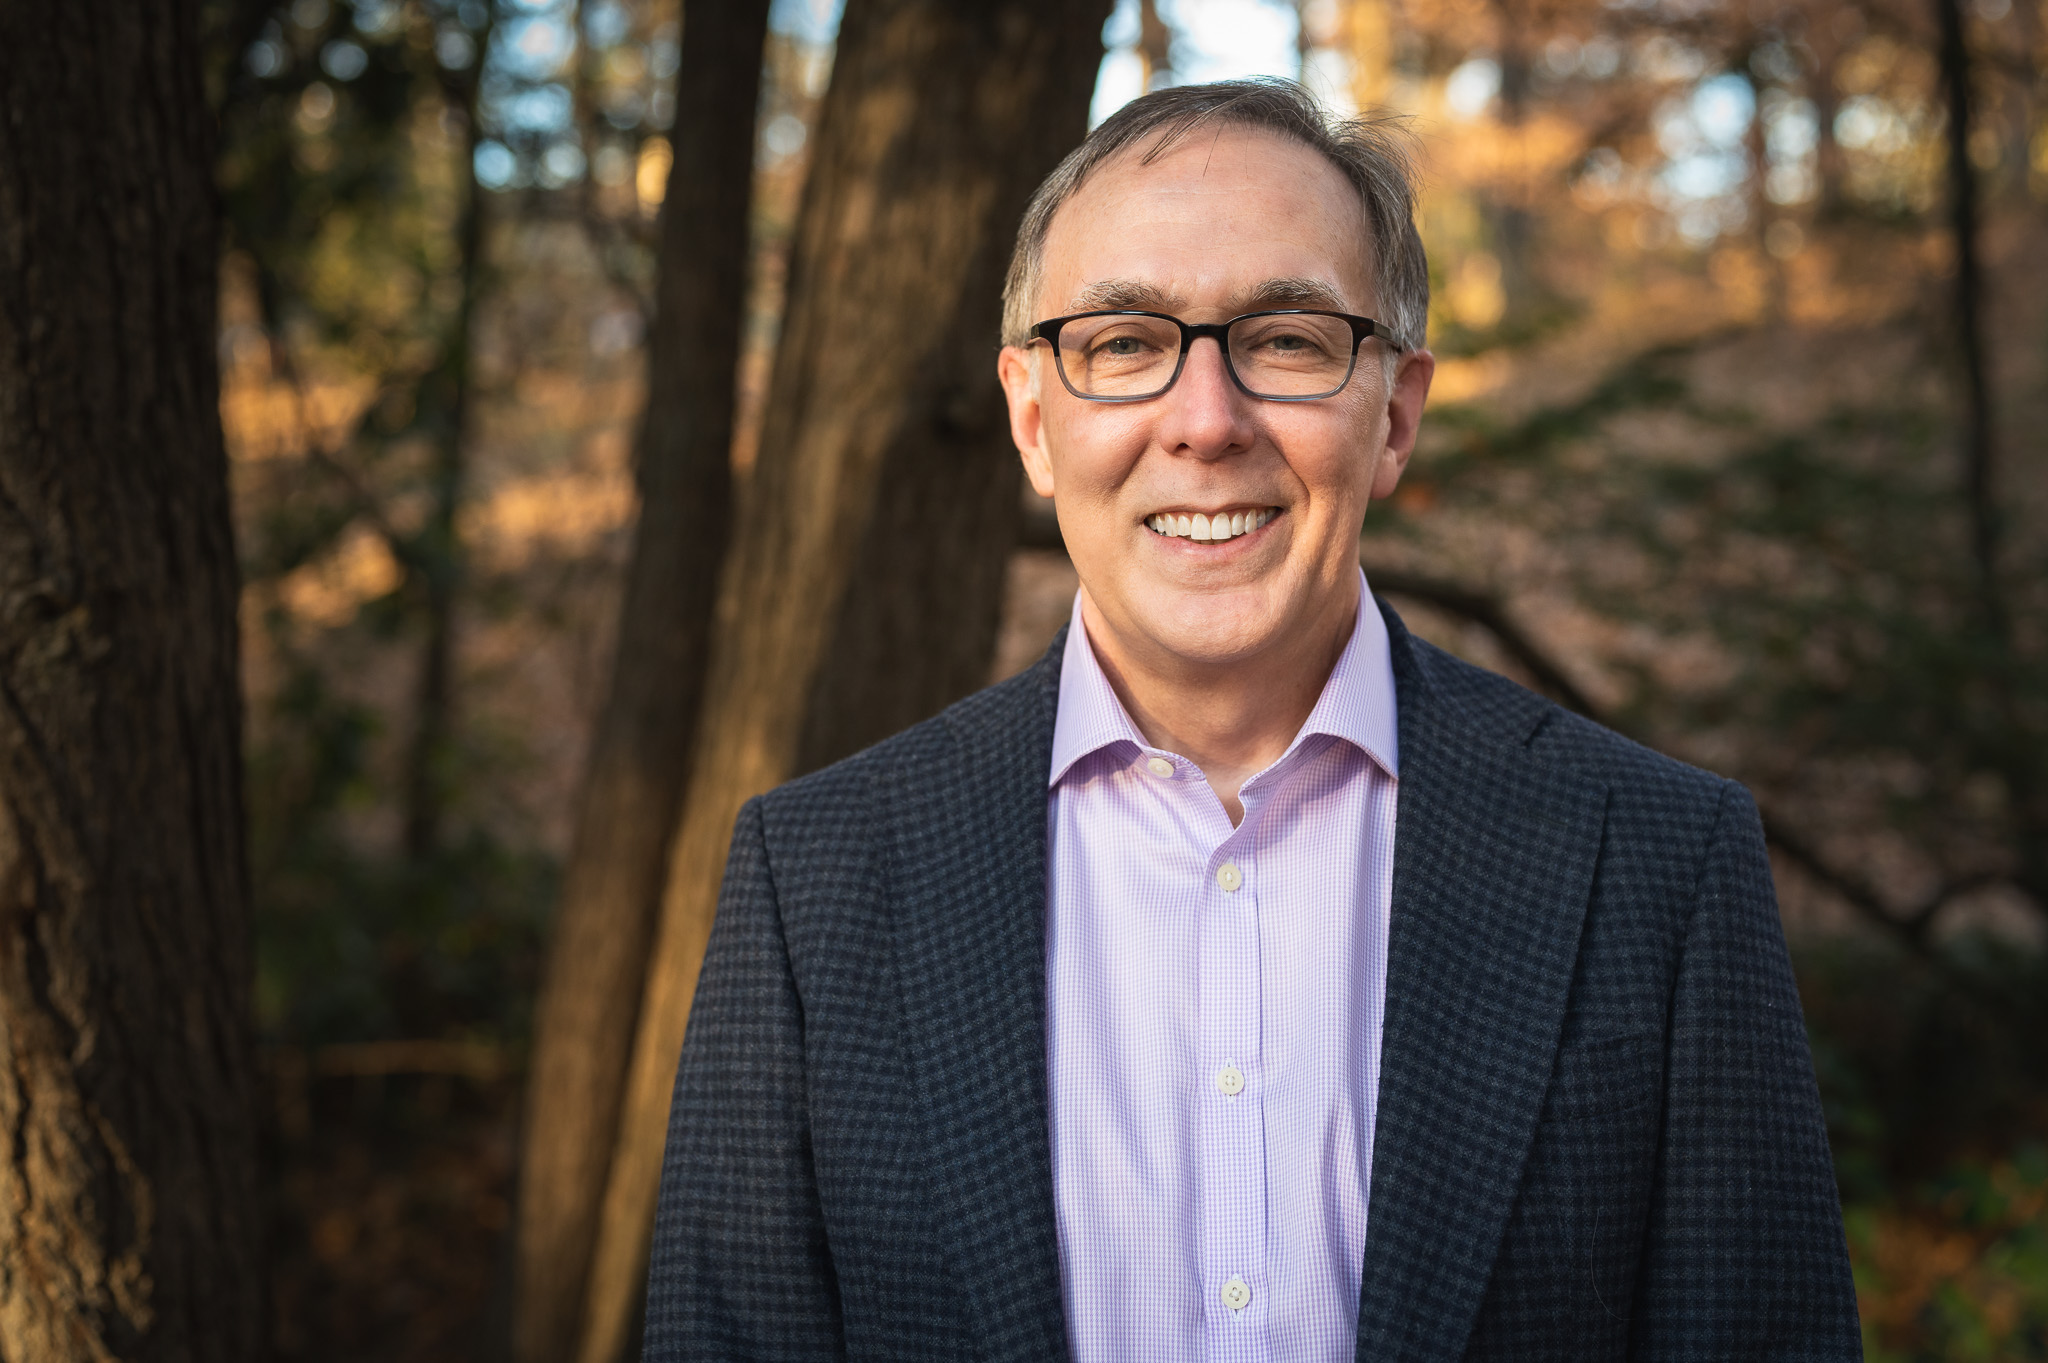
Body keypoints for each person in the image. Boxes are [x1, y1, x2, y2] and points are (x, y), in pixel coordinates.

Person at [643, 79, 1860, 1361]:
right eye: (1120, 342)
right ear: (1029, 417)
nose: (1206, 421)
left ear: (1391, 412)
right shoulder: (818, 877)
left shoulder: (1658, 861)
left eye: (1285, 339)